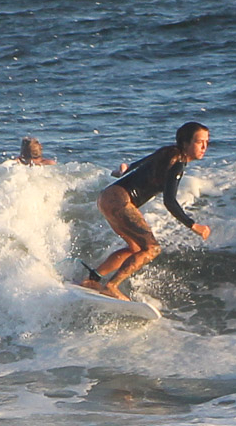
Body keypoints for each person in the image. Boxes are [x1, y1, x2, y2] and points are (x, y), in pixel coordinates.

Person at [81, 122, 212, 300]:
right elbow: (170, 201)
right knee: (152, 248)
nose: (205, 146)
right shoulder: (178, 163)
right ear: (185, 143)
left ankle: (92, 279)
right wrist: (193, 225)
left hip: (107, 197)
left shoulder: (168, 151)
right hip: (120, 200)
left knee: (135, 248)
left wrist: (124, 171)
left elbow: (142, 162)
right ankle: (111, 286)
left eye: (206, 141)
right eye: (199, 142)